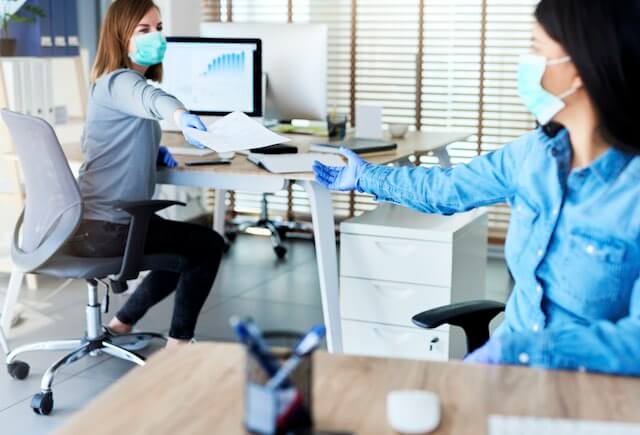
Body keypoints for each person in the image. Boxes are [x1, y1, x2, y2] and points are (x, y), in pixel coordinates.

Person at [314, 0, 640, 376]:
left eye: (537, 47)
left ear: (579, 69)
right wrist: (364, 176)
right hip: (508, 377)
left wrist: (523, 351)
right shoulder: (535, 154)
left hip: (589, 394)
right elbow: (449, 188)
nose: (526, 61)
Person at [67, 0, 225, 349]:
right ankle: (179, 346)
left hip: (94, 225)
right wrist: (182, 117)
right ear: (121, 37)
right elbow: (152, 97)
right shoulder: (120, 82)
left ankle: (121, 323)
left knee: (184, 245)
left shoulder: (107, 85)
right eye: (143, 29)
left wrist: (152, 152)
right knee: (208, 245)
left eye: (158, 27)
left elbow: (113, 138)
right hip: (110, 228)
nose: (156, 36)